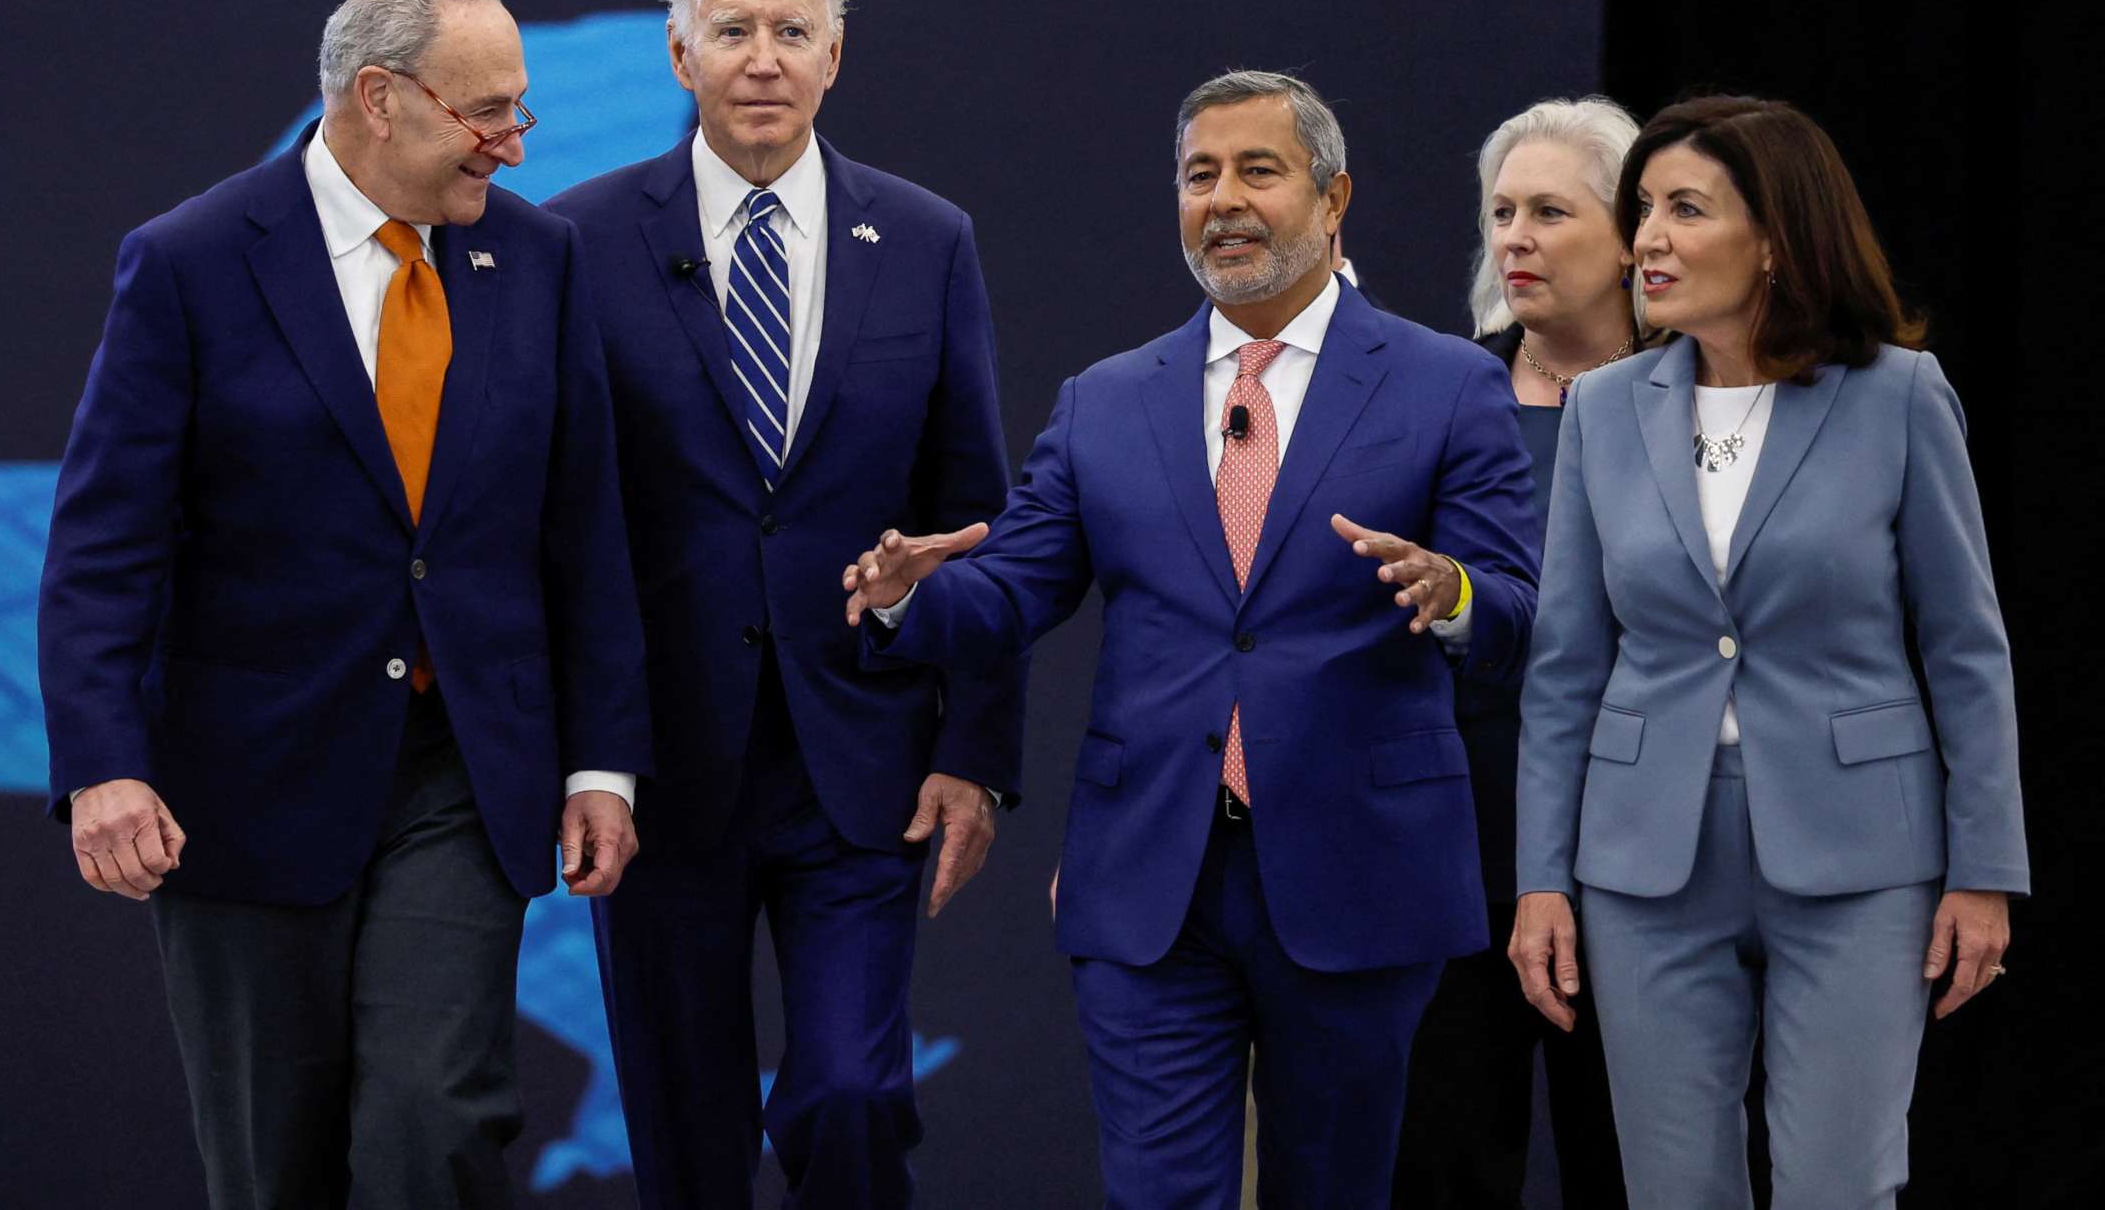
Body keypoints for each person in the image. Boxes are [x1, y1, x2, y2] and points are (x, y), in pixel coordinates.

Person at [844, 69, 1542, 1208]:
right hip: (1152, 876)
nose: (1223, 199)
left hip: (1358, 872)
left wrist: (1452, 589)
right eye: (1198, 175)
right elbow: (1013, 594)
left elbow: (1516, 613)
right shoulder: (1107, 400)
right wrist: (902, 599)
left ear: (1333, 199)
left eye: (1258, 171)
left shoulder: (1449, 385)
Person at [37, 0, 651, 1209]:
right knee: (277, 1166)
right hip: (248, 780)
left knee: (435, 1122)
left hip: (459, 768)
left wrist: (600, 763)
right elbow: (107, 544)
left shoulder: (540, 264)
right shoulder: (193, 263)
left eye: (517, 109)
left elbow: (583, 529)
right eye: (487, 113)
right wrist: (103, 763)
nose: (515, 146)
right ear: (380, 98)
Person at [544, 0, 1020, 1208]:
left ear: (836, 54)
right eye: (734, 29)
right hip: (658, 770)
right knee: (688, 1148)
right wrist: (581, 753)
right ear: (679, 51)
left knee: (854, 1096)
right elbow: (553, 518)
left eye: (792, 31)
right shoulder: (578, 242)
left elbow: (980, 518)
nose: (764, 57)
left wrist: (976, 748)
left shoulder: (926, 244)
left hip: (856, 760)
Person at [1510, 95, 2027, 1208]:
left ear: (1777, 239)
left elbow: (1966, 649)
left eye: (1685, 209)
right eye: (1642, 208)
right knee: (1673, 1190)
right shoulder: (1601, 411)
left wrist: (1986, 870)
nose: (1648, 237)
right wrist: (1541, 879)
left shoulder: (1897, 398)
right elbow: (1564, 671)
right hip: (1646, 861)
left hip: (1860, 859)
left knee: (1839, 1187)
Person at [1392, 98, 1643, 1208]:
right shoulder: (1434, 396)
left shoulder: (1717, 405)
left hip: (1646, 857)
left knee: (1637, 1168)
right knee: (1438, 1165)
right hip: (1452, 847)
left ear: (1633, 234)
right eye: (1502, 212)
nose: (1516, 239)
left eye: (1551, 211)